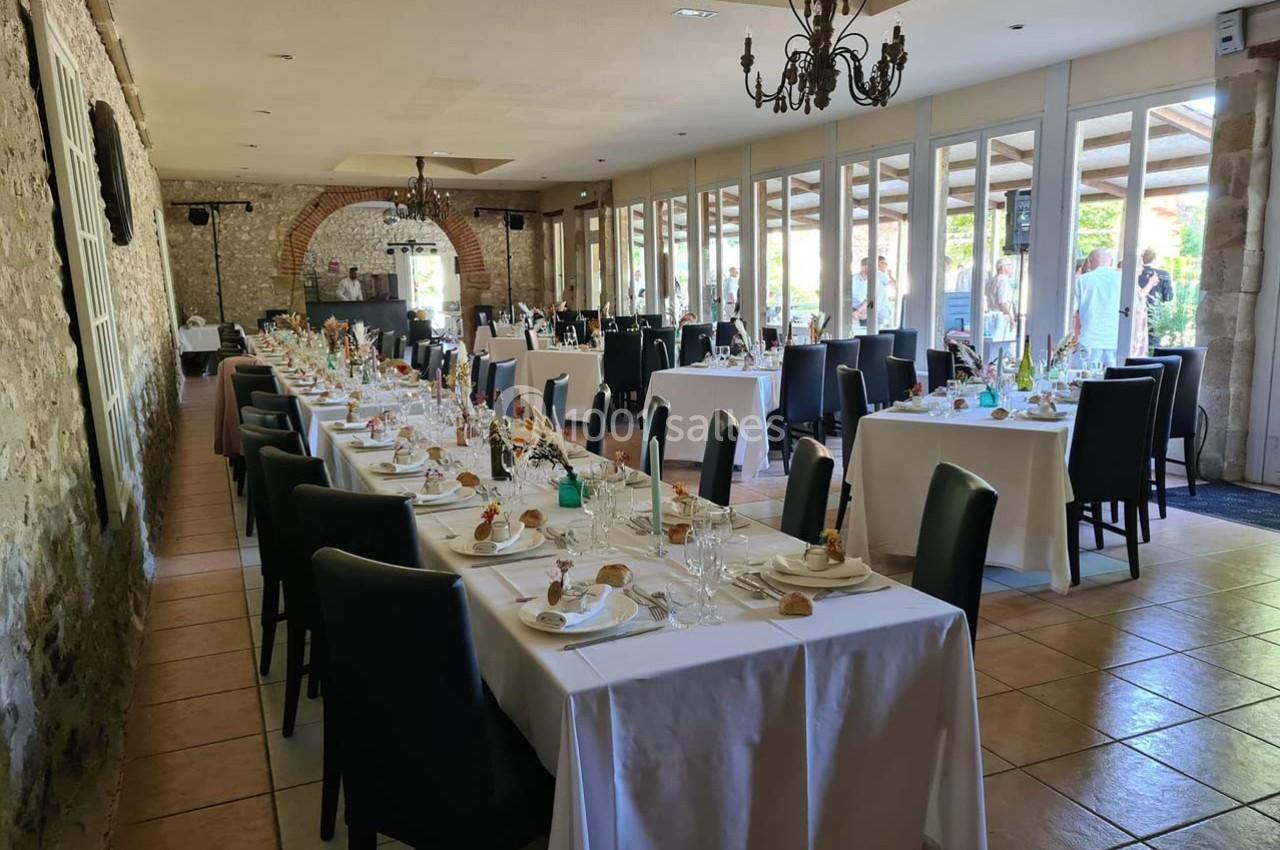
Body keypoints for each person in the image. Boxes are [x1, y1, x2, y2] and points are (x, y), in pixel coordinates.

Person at [1073, 248, 1122, 366]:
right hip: (1116, 340)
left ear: (1089, 262)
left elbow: (1072, 311)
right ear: (1110, 261)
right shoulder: (1122, 279)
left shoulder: (1082, 280)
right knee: (1115, 381)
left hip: (1089, 340)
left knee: (1086, 381)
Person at [1138, 248, 1174, 347]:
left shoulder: (1136, 273)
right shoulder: (1163, 274)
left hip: (1137, 311)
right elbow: (1168, 297)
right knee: (1154, 343)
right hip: (1154, 313)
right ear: (1155, 259)